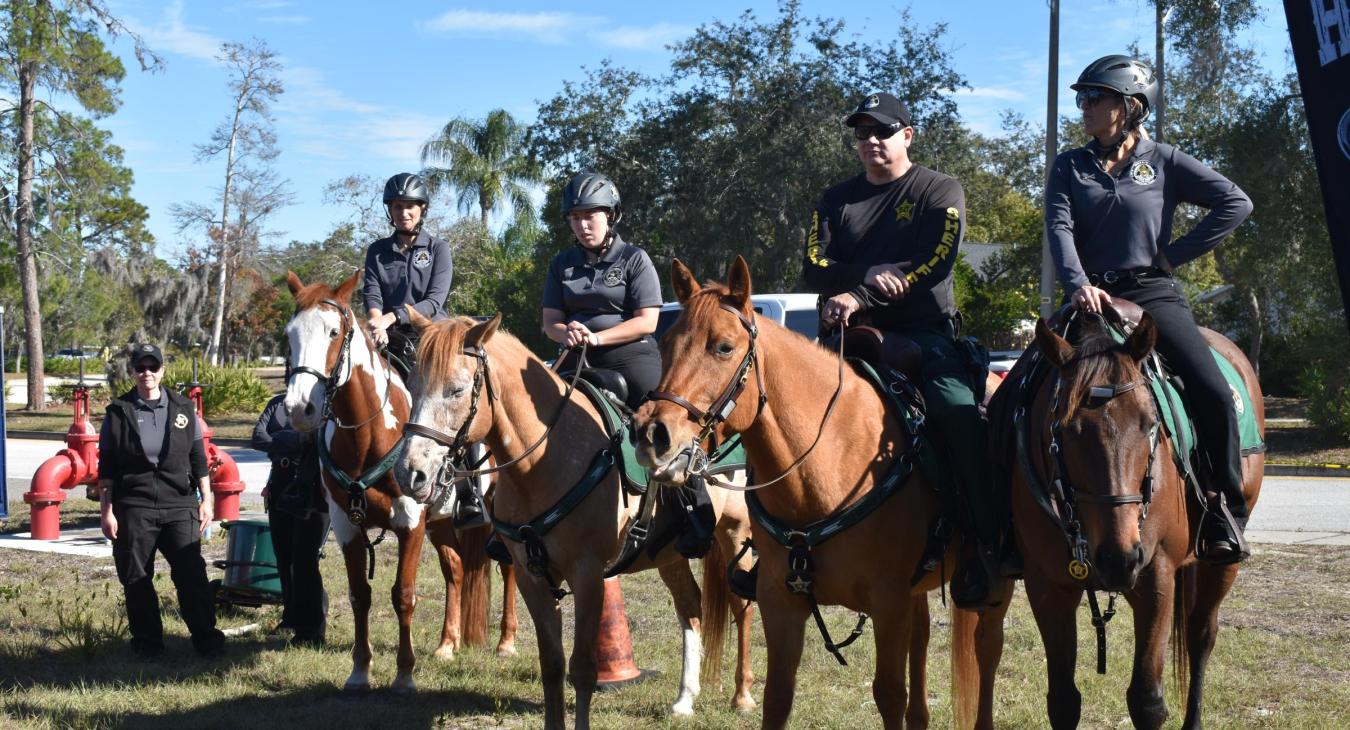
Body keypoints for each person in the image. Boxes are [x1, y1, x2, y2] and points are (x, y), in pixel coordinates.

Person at [1046, 54, 1254, 563]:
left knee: (1211, 390)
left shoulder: (1165, 160)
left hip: (1151, 292)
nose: (1084, 106)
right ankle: (1005, 530)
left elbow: (1236, 203)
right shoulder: (1070, 165)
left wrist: (1173, 255)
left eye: (1095, 96)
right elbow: (1060, 228)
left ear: (1130, 106)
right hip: (1088, 297)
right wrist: (1077, 283)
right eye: (1082, 97)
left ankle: (1223, 511)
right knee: (1016, 395)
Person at [802, 91, 1001, 608]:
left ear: (907, 136)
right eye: (862, 133)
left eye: (882, 131)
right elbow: (813, 265)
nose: (870, 141)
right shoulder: (835, 199)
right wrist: (860, 279)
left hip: (923, 335)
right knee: (781, 410)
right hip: (848, 335)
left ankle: (986, 545)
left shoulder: (940, 189)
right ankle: (772, 546)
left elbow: (935, 262)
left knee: (959, 415)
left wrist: (860, 292)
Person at [363, 172, 486, 527]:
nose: (404, 213)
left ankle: (471, 494)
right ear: (390, 210)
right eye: (398, 206)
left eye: (411, 207)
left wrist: (393, 316)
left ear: (422, 210)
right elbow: (371, 293)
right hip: (387, 338)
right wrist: (375, 323)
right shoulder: (378, 251)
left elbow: (435, 300)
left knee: (459, 403)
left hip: (432, 339)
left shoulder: (438, 249)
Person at [97, 343, 225, 659]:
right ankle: (148, 644)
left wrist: (207, 500)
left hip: (179, 504)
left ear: (163, 370)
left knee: (191, 575)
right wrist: (107, 511)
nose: (147, 373)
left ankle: (206, 639)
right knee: (136, 577)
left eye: (153, 367)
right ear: (132, 372)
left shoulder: (183, 408)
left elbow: (198, 459)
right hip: (134, 507)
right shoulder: (118, 412)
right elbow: (107, 467)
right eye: (140, 367)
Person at [542, 172, 663, 411]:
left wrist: (597, 338)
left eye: (589, 216)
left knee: (659, 414)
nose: (582, 225)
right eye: (575, 218)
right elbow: (550, 323)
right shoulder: (560, 264)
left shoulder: (635, 259)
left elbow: (648, 322)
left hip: (629, 355)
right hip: (575, 357)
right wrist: (566, 333)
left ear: (610, 215)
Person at [252, 371, 329, 648]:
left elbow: (313, 441)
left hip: (309, 484)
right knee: (283, 555)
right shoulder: (276, 404)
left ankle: (314, 627)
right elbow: (257, 437)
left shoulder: (320, 404)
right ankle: (291, 616)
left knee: (305, 557)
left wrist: (283, 440)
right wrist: (290, 440)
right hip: (280, 483)